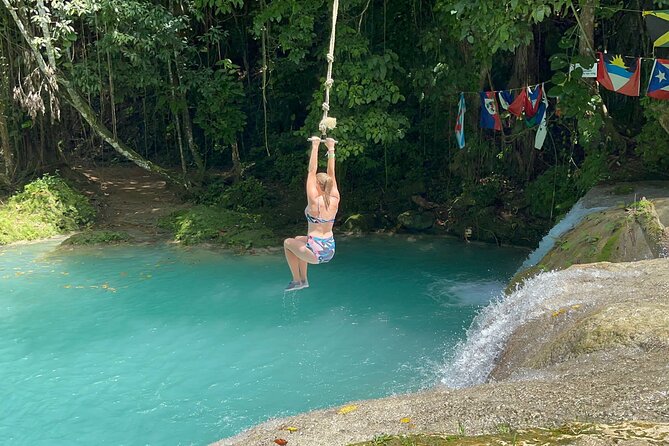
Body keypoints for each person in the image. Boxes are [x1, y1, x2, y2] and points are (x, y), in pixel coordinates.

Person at [283, 136, 340, 291]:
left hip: (315, 252)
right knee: (298, 239)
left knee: (288, 243)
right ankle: (304, 280)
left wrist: (315, 146)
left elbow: (311, 171)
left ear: (318, 185)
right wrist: (331, 148)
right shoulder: (335, 197)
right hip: (329, 248)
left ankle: (297, 280)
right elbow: (331, 173)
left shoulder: (314, 201)